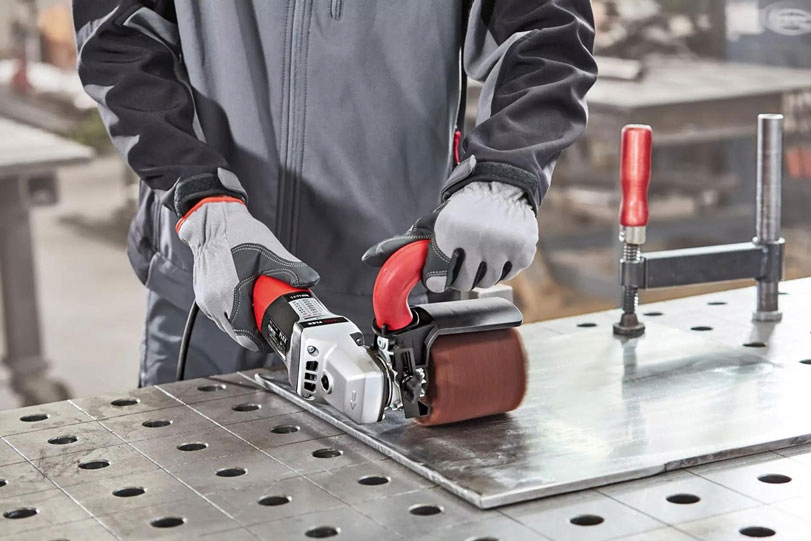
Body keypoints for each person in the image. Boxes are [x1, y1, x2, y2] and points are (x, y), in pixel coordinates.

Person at [72, 1, 597, 386]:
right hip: (212, 278)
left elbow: (546, 31)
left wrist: (504, 174)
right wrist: (200, 200)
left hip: (392, 303)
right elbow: (119, 43)